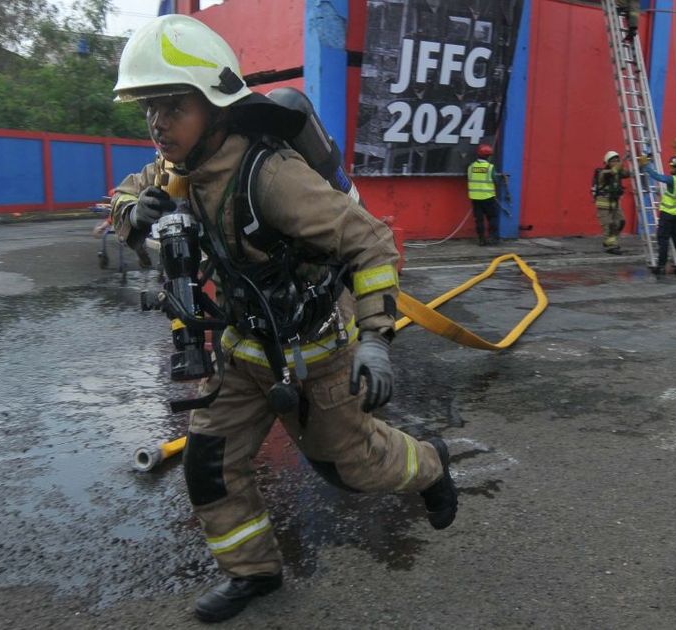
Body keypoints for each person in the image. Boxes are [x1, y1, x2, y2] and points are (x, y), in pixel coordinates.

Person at [109, 15, 457, 623]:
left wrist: (375, 339)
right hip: (245, 346)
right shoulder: (180, 169)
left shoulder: (269, 176)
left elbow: (370, 242)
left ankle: (430, 465)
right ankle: (255, 572)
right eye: (149, 109)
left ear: (214, 105)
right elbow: (118, 196)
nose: (157, 123)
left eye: (171, 106)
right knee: (209, 461)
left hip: (316, 345)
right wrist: (133, 213)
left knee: (352, 470)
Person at [638, 152, 676, 275]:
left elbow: (657, 177)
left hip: (667, 215)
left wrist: (645, 166)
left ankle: (661, 267)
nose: (670, 168)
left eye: (672, 166)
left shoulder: (672, 180)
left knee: (663, 240)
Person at [592, 150, 631, 254]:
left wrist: (641, 164)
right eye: (613, 161)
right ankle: (610, 246)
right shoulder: (603, 173)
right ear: (607, 162)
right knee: (608, 225)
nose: (615, 162)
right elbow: (613, 171)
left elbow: (629, 173)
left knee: (620, 222)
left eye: (617, 160)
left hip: (615, 203)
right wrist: (624, 159)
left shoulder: (618, 172)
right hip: (603, 203)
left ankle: (609, 242)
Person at [467, 143, 503, 245]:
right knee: (492, 217)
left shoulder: (471, 167)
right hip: (488, 197)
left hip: (475, 198)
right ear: (488, 156)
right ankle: (493, 238)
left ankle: (481, 239)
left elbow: (470, 179)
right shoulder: (490, 167)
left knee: (479, 219)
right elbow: (495, 180)